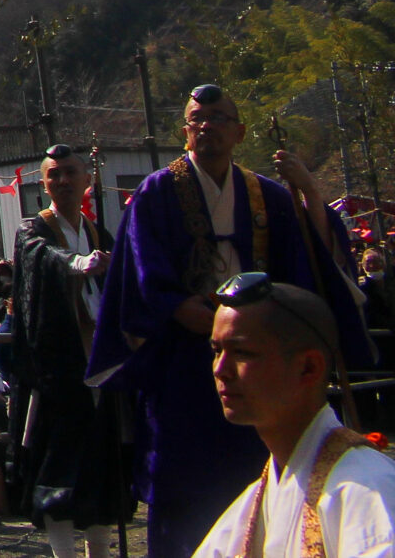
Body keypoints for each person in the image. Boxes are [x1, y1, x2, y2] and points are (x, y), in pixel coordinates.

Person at [89, 86, 374, 558]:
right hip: (185, 359)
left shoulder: (270, 196)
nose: (206, 128)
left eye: (218, 119)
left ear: (239, 132)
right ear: (184, 133)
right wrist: (183, 309)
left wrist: (310, 193)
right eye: (196, 120)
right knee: (184, 482)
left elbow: (308, 266)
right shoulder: (157, 192)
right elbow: (142, 271)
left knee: (259, 475)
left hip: (257, 359)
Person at [191, 275, 395, 556]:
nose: (220, 369)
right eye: (216, 351)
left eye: (242, 352)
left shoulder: (368, 488)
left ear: (308, 368)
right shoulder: (254, 501)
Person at [11, 145, 133, 558]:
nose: (62, 181)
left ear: (87, 179)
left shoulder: (99, 233)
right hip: (58, 367)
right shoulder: (33, 230)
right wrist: (76, 264)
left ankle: (100, 549)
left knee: (104, 461)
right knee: (58, 463)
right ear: (43, 183)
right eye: (53, 175)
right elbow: (39, 258)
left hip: (101, 362)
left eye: (69, 173)